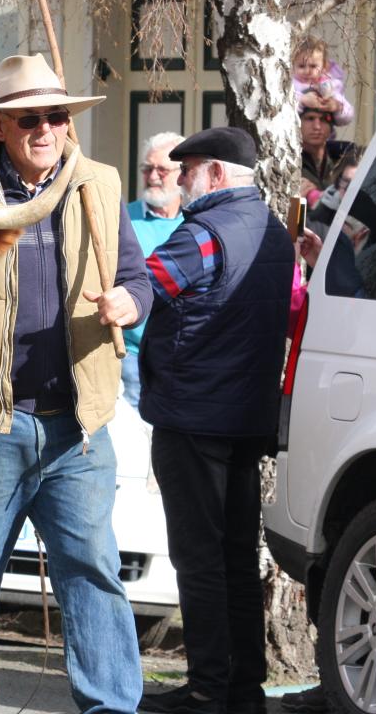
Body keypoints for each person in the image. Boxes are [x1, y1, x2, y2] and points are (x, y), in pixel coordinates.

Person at [0, 53, 152, 714]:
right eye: (30, 118)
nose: (46, 128)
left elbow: (137, 278)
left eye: (57, 116)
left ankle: (111, 707)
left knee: (94, 576)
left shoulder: (98, 184)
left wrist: (130, 303)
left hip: (76, 428)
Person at [136, 127, 294, 714]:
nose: (178, 179)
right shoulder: (274, 232)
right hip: (244, 418)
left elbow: (146, 286)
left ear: (218, 175)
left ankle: (206, 690)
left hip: (194, 415)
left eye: (189, 169)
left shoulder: (203, 234)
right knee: (233, 557)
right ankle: (242, 688)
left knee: (200, 559)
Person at [123, 131, 186, 407]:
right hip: (133, 357)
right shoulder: (123, 218)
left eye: (162, 169)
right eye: (147, 168)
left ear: (182, 172)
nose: (152, 176)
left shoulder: (196, 222)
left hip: (183, 359)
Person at [299, 108, 357, 207]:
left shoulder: (347, 159)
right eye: (310, 118)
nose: (317, 127)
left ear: (331, 127)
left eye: (323, 119)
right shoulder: (288, 163)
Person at [292, 36, 353, 127]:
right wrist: (302, 100)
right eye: (301, 66)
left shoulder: (331, 86)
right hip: (297, 138)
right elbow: (284, 111)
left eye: (313, 66)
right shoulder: (292, 86)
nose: (307, 71)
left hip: (324, 139)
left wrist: (336, 106)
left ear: (324, 67)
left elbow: (347, 117)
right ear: (293, 66)